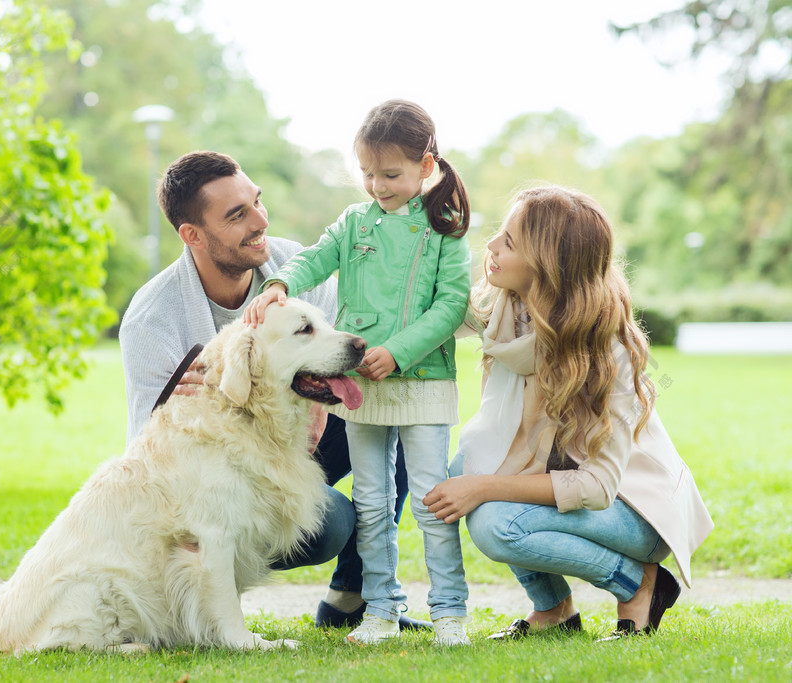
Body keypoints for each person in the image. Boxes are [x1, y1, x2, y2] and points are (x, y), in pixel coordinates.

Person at [118, 150, 426, 631]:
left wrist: (317, 402)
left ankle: (352, 598)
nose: (259, 221)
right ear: (192, 235)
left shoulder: (292, 264)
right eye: (236, 215)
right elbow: (147, 450)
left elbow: (334, 349)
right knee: (331, 525)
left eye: (256, 202)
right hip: (220, 466)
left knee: (402, 422)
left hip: (300, 422)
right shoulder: (153, 319)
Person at [422, 186, 714, 641]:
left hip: (633, 510)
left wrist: (481, 486)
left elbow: (598, 487)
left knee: (496, 522)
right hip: (567, 478)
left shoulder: (605, 350)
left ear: (549, 267)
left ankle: (639, 584)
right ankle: (555, 611)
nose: (492, 248)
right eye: (499, 234)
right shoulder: (507, 305)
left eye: (510, 243)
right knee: (470, 465)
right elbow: (434, 312)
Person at [244, 100, 473, 646]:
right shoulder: (354, 222)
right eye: (367, 174)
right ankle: (381, 609)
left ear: (426, 164)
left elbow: (450, 305)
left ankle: (449, 614)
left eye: (390, 174)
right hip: (364, 388)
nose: (377, 186)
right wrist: (279, 284)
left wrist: (397, 352)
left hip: (422, 384)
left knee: (430, 501)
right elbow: (314, 257)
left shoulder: (446, 229)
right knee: (372, 503)